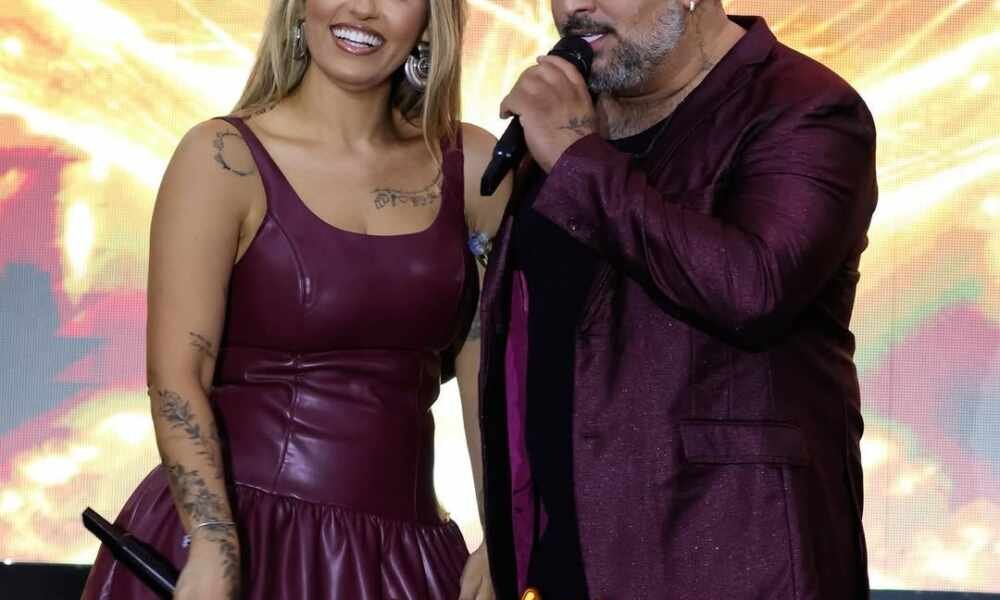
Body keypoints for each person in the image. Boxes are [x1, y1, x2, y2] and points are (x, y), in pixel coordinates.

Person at [81, 0, 509, 598]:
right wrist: (213, 543)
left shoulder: (477, 168)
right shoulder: (220, 158)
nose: (362, 8)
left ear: (430, 18)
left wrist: (504, 532)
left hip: (407, 558)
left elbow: (491, 375)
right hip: (241, 539)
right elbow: (179, 375)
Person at [477, 0, 877, 598]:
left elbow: (754, 289)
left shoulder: (807, 108)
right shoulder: (574, 114)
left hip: (728, 563)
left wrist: (574, 153)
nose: (573, 7)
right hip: (565, 559)